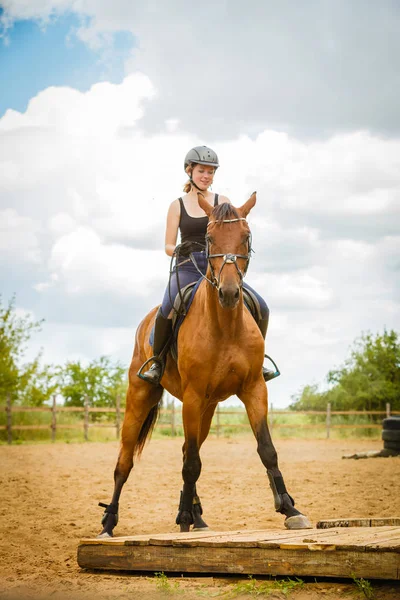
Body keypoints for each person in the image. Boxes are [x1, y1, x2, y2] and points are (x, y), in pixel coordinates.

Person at [139, 145, 279, 385]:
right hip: (186, 265)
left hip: (219, 267)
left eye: (210, 172)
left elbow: (232, 233)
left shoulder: (222, 202)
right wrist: (180, 249)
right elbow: (168, 246)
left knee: (262, 306)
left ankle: (258, 361)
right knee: (168, 307)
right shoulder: (177, 205)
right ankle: (157, 362)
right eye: (201, 171)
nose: (206, 176)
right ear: (189, 171)